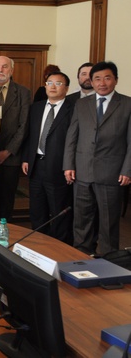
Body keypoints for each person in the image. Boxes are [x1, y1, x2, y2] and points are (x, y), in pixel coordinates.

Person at [64, 61, 131, 256]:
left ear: (116, 80)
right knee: (81, 221)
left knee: (109, 224)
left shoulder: (127, 104)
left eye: (107, 78)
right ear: (91, 82)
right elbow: (72, 136)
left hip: (112, 173)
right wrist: (68, 165)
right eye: (97, 79)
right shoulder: (81, 104)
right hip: (82, 171)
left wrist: (127, 170)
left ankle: (110, 262)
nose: (102, 83)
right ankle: (81, 257)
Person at [22, 72, 74, 244]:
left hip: (59, 168)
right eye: (49, 82)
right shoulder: (36, 108)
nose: (52, 86)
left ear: (66, 88)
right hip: (36, 165)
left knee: (59, 211)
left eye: (58, 83)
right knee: (37, 210)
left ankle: (59, 247)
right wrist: (26, 158)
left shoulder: (72, 109)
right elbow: (30, 135)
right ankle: (38, 245)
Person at [0, 56, 31, 221]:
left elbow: (24, 126)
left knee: (7, 201)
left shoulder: (23, 92)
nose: (0, 70)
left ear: (11, 70)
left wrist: (7, 151)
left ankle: (3, 233)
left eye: (4, 67)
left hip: (11, 157)